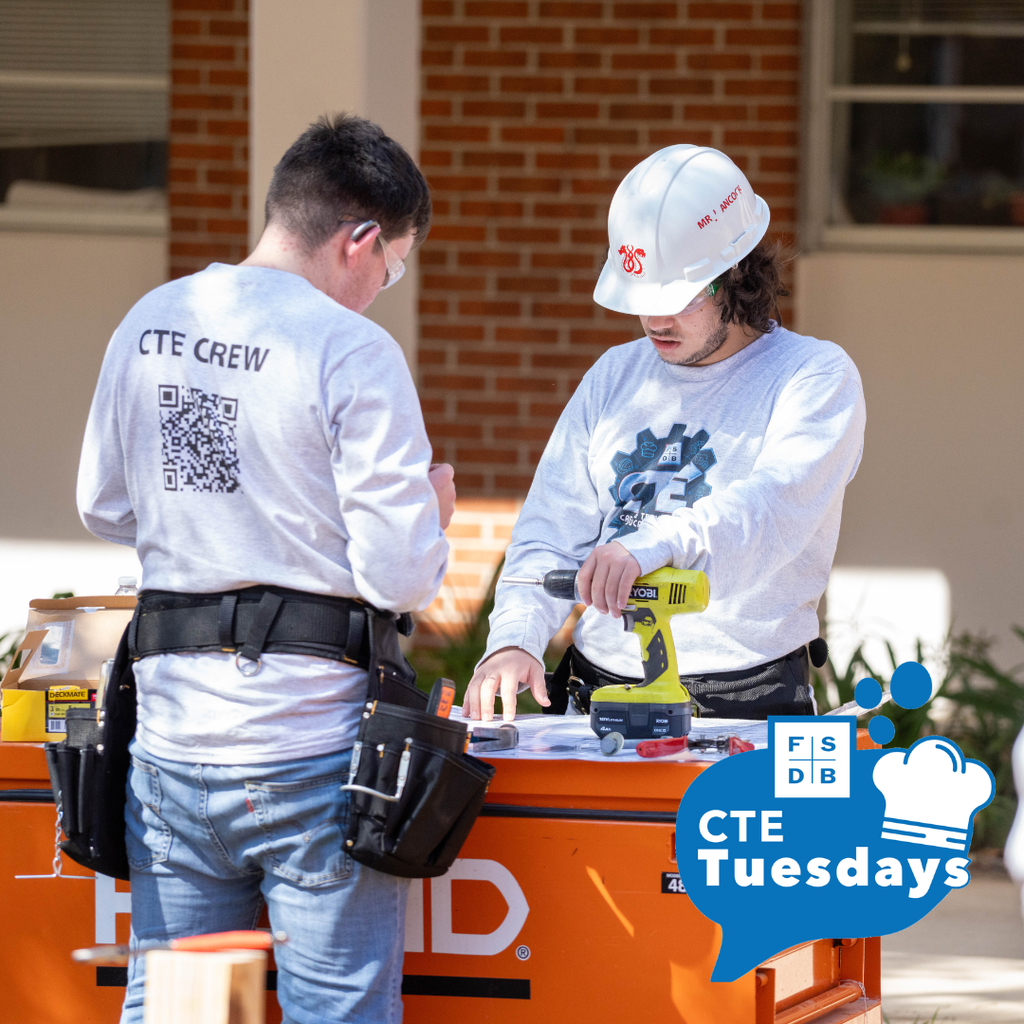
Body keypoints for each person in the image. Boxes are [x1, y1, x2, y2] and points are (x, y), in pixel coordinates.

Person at [76, 114, 453, 1024]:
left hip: (170, 745)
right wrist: (430, 516)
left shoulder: (154, 320)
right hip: (309, 753)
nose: (382, 289)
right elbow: (399, 578)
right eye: (393, 266)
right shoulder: (352, 350)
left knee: (175, 1011)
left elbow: (104, 505)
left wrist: (216, 534)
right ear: (359, 240)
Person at [464, 145, 866, 723]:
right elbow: (550, 529)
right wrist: (514, 638)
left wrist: (650, 546)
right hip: (596, 692)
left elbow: (772, 510)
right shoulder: (614, 374)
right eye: (639, 299)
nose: (654, 322)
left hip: (743, 703)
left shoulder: (813, 376)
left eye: (672, 297)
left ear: (734, 272)